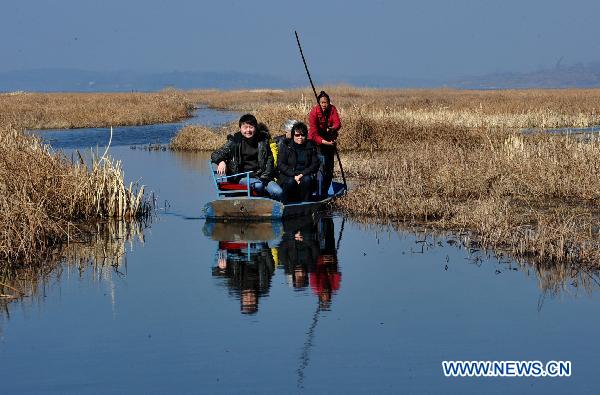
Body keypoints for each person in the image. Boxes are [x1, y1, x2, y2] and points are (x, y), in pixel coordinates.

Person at [211, 114, 282, 199]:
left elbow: (270, 161)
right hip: (241, 177)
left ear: (255, 128)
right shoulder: (234, 141)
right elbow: (215, 154)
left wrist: (264, 177)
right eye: (245, 127)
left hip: (261, 176)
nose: (248, 130)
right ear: (240, 128)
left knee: (278, 192)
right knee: (258, 186)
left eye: (251, 127)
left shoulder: (263, 141)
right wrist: (221, 161)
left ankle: (271, 208)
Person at [277, 122, 320, 203]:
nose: (300, 137)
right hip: (288, 175)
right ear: (293, 135)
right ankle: (284, 203)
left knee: (307, 180)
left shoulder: (310, 146)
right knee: (290, 181)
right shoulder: (286, 146)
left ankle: (305, 203)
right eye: (297, 135)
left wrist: (301, 174)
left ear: (306, 136)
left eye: (302, 135)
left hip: (304, 174)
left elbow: (315, 164)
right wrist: (294, 175)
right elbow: (281, 164)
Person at [308, 91, 341, 197]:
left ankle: (325, 191)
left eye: (325, 102)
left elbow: (337, 123)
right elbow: (313, 134)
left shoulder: (332, 109)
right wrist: (324, 142)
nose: (324, 105)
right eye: (322, 102)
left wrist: (332, 129)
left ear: (328, 102)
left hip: (330, 142)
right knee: (321, 167)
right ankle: (318, 192)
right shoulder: (314, 112)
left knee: (329, 167)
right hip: (317, 144)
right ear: (319, 103)